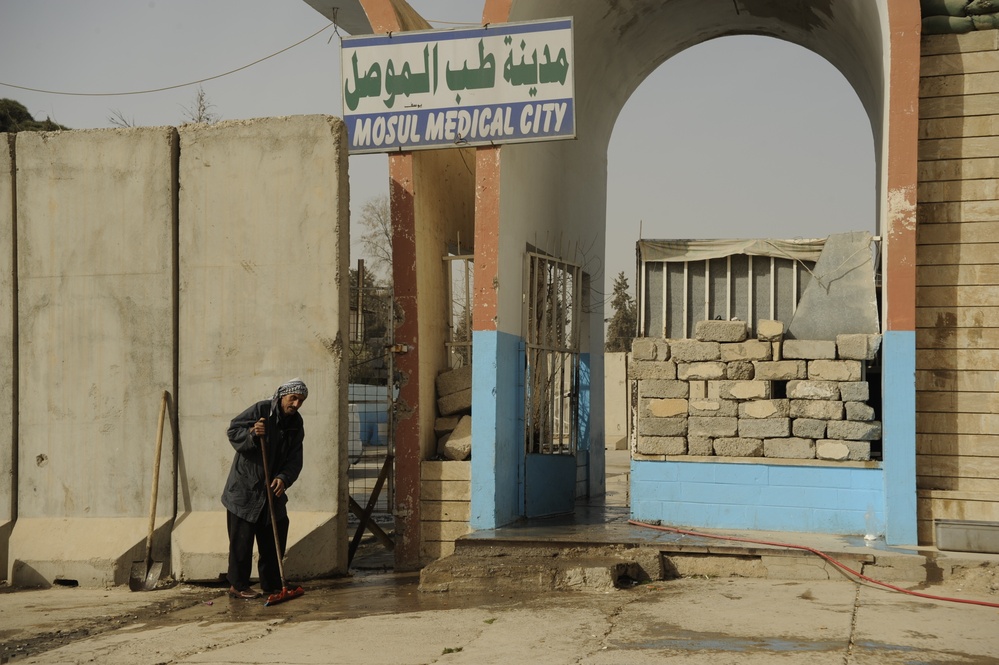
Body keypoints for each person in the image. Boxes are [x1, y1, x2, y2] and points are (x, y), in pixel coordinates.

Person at [222, 378, 307, 599]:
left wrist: (284, 477)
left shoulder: (296, 423)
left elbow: (295, 458)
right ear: (282, 396)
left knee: (275, 533)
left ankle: (272, 585)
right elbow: (233, 431)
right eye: (293, 398)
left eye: (301, 400)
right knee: (242, 540)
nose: (296, 404)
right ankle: (238, 586)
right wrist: (251, 433)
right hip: (245, 488)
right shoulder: (261, 410)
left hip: (272, 489)